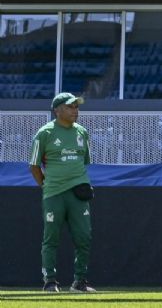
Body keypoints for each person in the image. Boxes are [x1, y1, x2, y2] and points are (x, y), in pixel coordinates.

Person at [29, 92, 96, 293]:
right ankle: (50, 281)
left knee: (84, 237)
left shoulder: (82, 132)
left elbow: (84, 162)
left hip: (78, 193)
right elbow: (34, 165)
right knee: (51, 238)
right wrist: (46, 186)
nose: (75, 110)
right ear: (57, 110)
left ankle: (80, 282)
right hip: (54, 194)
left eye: (77, 106)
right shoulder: (45, 133)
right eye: (70, 107)